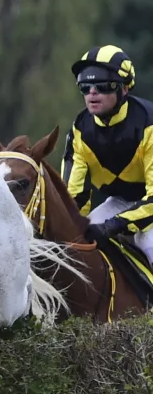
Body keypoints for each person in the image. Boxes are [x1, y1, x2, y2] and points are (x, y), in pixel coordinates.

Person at [62, 44, 153, 265]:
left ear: (124, 88)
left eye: (102, 84)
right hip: (119, 202)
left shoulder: (148, 124)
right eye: (85, 85)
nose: (92, 92)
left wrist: (115, 225)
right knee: (79, 243)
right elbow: (75, 198)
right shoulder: (80, 130)